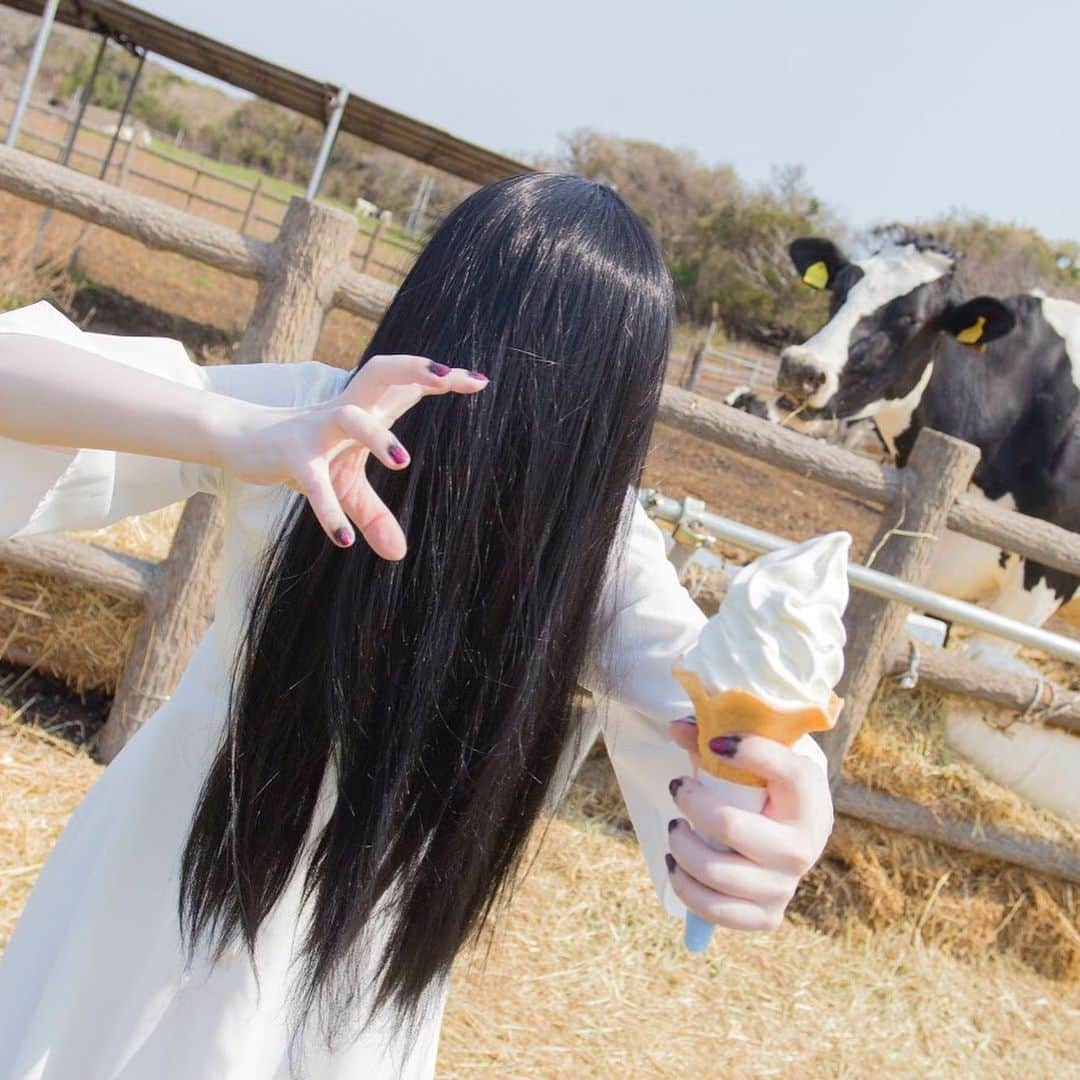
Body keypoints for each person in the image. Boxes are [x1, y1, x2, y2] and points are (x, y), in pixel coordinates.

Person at [0, 173, 833, 1079]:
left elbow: (701, 693)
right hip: (240, 919)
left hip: (250, 928)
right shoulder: (320, 421)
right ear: (618, 407)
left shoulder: (592, 550)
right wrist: (232, 428)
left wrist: (788, 796)